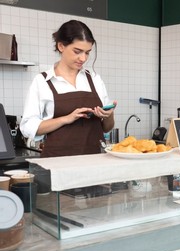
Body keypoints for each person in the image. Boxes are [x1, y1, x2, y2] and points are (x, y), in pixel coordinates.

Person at [20, 20, 117, 157]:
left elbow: (107, 127)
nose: (83, 58)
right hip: (57, 163)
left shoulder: (94, 79)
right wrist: (66, 119)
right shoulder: (42, 81)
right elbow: (27, 127)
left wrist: (109, 114)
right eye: (77, 51)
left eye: (87, 53)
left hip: (94, 161)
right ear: (61, 46)